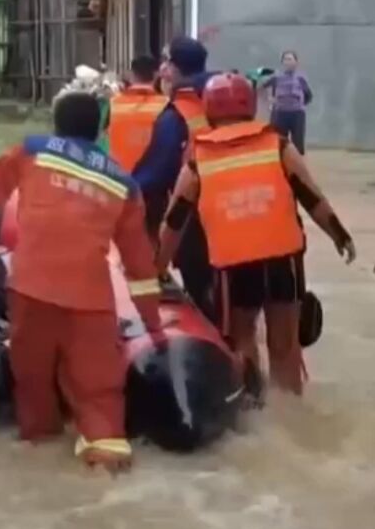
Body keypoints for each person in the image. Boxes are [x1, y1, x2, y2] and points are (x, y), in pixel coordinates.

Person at [0, 91, 163, 473]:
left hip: (31, 289)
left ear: (56, 124)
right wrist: (154, 326)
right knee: (99, 394)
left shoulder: (32, 150)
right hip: (91, 301)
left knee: (33, 381)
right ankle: (106, 457)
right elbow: (140, 266)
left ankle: (40, 448)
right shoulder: (124, 183)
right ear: (100, 130)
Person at [157, 73, 356, 401]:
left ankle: (255, 410)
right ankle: (293, 413)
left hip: (235, 268)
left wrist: (158, 268)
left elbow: (175, 220)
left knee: (242, 337)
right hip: (284, 261)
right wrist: (339, 235)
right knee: (285, 343)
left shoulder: (199, 158)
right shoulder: (276, 143)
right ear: (250, 106)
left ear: (208, 108)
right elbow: (311, 196)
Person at [135, 36, 215, 317]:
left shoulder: (177, 115)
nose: (163, 68)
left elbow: (153, 176)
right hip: (244, 219)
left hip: (198, 223)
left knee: (209, 305)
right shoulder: (226, 100)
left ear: (176, 67)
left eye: (167, 61)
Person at [107, 55, 166, 175]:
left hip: (117, 178)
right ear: (156, 75)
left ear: (131, 75)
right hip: (153, 179)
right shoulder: (166, 104)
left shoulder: (114, 103)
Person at [262, 50, 312, 154]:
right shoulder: (277, 77)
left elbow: (308, 96)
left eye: (290, 59)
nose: (287, 62)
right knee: (279, 143)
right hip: (280, 113)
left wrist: (299, 104)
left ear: (296, 62)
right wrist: (269, 100)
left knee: (298, 144)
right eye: (285, 59)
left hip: (297, 114)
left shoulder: (300, 78)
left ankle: (298, 168)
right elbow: (261, 87)